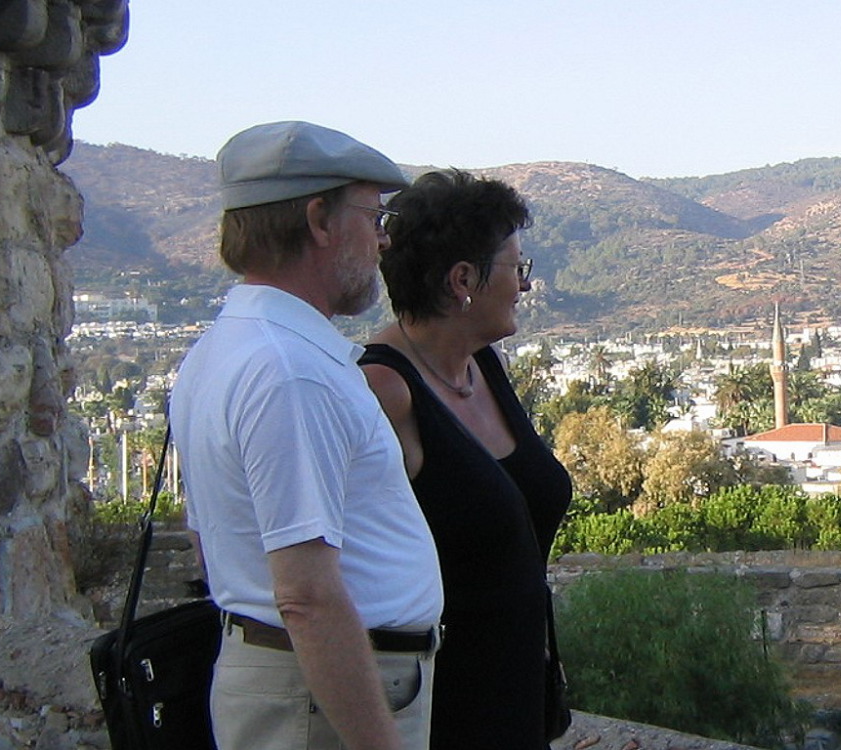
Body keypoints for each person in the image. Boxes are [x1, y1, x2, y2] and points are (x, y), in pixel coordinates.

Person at [170, 121, 443, 750]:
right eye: (374, 218)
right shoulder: (290, 371)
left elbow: (208, 543)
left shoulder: (223, 349)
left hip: (302, 683)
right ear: (320, 220)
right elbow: (306, 596)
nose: (382, 241)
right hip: (321, 696)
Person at [358, 169, 574, 749]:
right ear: (462, 280)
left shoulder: (485, 368)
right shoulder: (384, 390)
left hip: (518, 690)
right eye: (516, 268)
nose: (525, 285)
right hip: (441, 703)